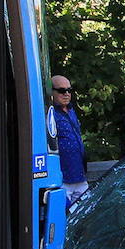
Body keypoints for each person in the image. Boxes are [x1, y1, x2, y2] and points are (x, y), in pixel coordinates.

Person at [49, 75, 88, 206]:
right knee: (64, 218)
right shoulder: (50, 113)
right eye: (61, 90)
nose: (66, 94)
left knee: (84, 214)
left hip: (80, 176)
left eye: (69, 90)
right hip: (63, 179)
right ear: (52, 92)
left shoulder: (71, 109)